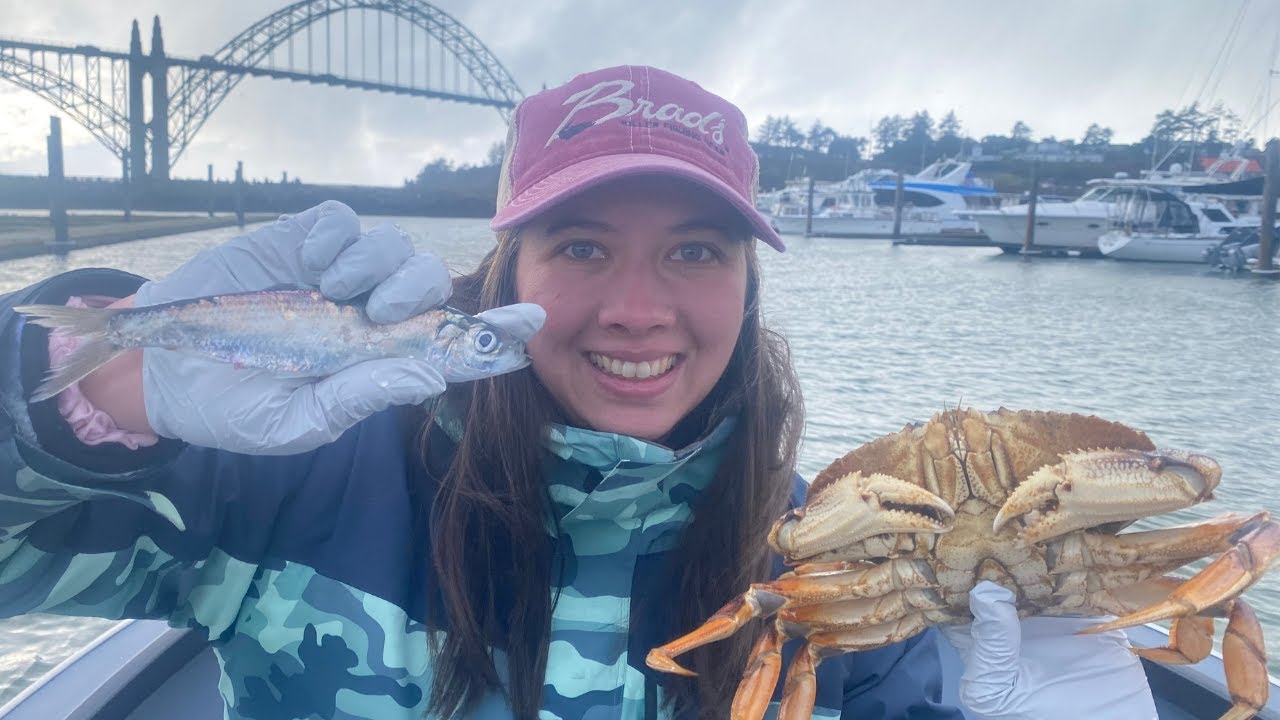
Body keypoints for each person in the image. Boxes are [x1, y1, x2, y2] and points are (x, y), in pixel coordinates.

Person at [0, 65, 1157, 720]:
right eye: (584, 248)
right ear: (502, 272)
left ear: (750, 291)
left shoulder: (825, 556)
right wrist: (96, 396)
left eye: (697, 252)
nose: (639, 309)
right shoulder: (296, 468)